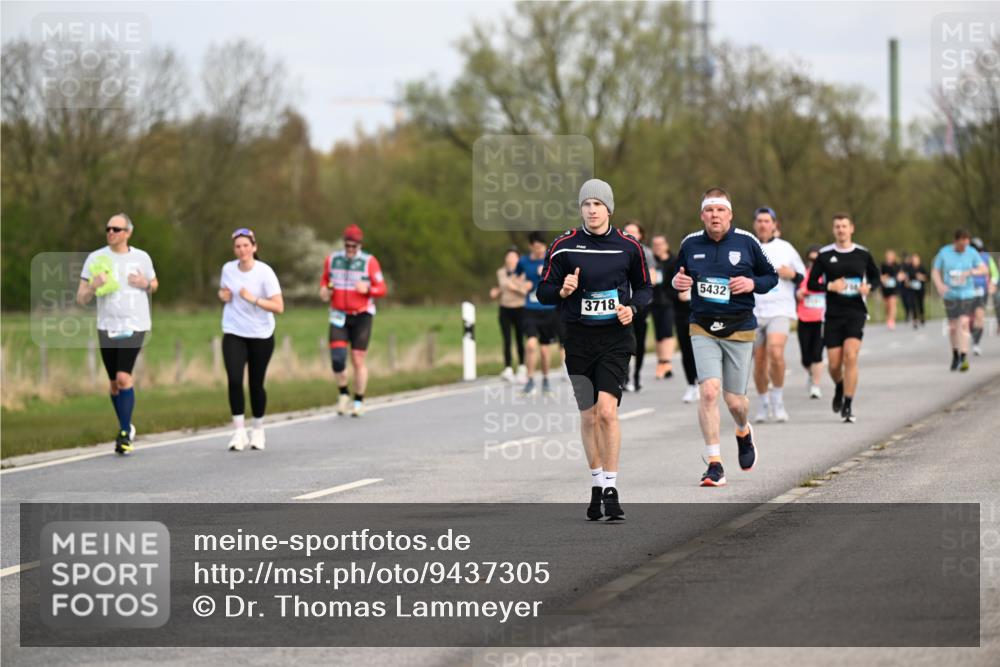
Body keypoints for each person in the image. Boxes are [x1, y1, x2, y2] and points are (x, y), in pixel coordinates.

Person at [537, 179, 651, 521]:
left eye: (598, 204)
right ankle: (597, 484)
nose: (592, 209)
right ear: (581, 209)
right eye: (586, 204)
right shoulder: (563, 246)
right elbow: (543, 292)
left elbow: (645, 289)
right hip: (578, 339)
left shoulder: (629, 246)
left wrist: (632, 307)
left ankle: (613, 489)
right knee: (588, 416)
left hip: (616, 338)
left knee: (607, 412)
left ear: (609, 209)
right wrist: (562, 290)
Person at [671, 188, 777, 487]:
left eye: (720, 210)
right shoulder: (690, 244)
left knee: (735, 402)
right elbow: (678, 278)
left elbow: (771, 278)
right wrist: (677, 282)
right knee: (708, 391)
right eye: (709, 210)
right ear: (702, 214)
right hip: (702, 326)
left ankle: (743, 431)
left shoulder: (747, 242)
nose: (714, 215)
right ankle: (714, 463)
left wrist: (751, 282)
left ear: (729, 214)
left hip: (739, 326)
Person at [76, 213, 158, 455]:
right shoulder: (95, 258)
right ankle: (126, 425)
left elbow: (154, 285)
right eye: (108, 228)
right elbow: (81, 298)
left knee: (123, 377)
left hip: (136, 324)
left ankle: (124, 433)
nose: (111, 232)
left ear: (128, 233)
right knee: (113, 384)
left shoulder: (141, 257)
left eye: (116, 229)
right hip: (107, 326)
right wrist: (93, 285)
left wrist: (145, 283)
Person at [806, 214, 881, 423]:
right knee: (834, 365)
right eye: (837, 226)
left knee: (850, 356)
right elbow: (811, 283)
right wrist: (829, 286)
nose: (841, 230)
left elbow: (876, 278)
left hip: (856, 312)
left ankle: (848, 404)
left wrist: (869, 287)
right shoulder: (824, 255)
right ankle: (840, 386)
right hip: (833, 315)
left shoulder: (863, 254)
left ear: (851, 229)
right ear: (833, 230)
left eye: (844, 226)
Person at [218, 229, 284, 451]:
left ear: (254, 247)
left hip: (261, 334)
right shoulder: (228, 269)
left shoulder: (265, 272)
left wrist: (253, 299)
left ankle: (258, 429)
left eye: (246, 245)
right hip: (234, 331)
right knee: (235, 380)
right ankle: (238, 432)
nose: (242, 250)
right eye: (238, 246)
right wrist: (223, 296)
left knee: (256, 384)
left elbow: (278, 306)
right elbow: (225, 292)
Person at [320, 224, 388, 417]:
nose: (350, 250)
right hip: (339, 314)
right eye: (347, 246)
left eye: (354, 247)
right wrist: (324, 291)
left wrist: (368, 290)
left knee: (358, 359)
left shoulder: (369, 262)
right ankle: (343, 393)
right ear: (344, 244)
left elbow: (382, 288)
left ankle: (359, 400)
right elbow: (324, 281)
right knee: (337, 358)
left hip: (362, 315)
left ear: (360, 245)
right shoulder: (332, 259)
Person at [750, 206, 806, 423]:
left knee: (775, 352)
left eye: (767, 221)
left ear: (774, 225)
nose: (763, 224)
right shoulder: (749, 246)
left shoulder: (786, 248)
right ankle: (764, 403)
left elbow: (802, 276)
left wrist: (791, 274)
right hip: (754, 312)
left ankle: (778, 400)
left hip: (780, 310)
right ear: (755, 224)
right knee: (760, 361)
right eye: (760, 221)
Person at [931, 229, 987, 372]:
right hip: (950, 294)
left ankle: (963, 356)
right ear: (956, 241)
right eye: (962, 245)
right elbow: (935, 271)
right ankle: (955, 353)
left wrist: (970, 272)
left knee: (963, 323)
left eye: (967, 244)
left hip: (967, 293)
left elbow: (983, 269)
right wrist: (939, 285)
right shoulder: (944, 252)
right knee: (953, 326)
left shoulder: (971, 252)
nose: (964, 248)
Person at [517, 232, 562, 396]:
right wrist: (522, 286)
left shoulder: (551, 260)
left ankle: (545, 380)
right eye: (536, 248)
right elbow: (515, 279)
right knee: (530, 345)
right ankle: (529, 381)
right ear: (530, 246)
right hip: (530, 310)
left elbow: (560, 280)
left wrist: (545, 274)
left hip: (548, 310)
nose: (540, 251)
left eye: (542, 248)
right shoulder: (523, 261)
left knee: (544, 350)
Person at [623, 221, 656, 391]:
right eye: (626, 231)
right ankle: (625, 376)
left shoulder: (647, 253)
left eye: (633, 232)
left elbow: (653, 278)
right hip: (622, 304)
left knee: (640, 340)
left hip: (641, 304)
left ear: (641, 235)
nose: (629, 234)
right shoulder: (618, 250)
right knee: (624, 340)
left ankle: (636, 376)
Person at [490, 247, 529, 383]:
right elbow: (502, 288)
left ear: (518, 259)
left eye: (513, 257)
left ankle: (522, 367)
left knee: (519, 338)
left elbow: (526, 291)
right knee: (506, 339)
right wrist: (496, 292)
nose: (510, 259)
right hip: (504, 309)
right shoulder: (500, 272)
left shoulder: (524, 272)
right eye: (508, 256)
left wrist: (516, 288)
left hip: (520, 308)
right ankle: (507, 368)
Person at [796, 245, 826, 399]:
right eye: (811, 259)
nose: (814, 262)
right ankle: (811, 373)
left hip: (821, 320)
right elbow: (795, 291)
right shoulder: (803, 275)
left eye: (817, 259)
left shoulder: (826, 275)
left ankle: (816, 385)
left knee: (817, 354)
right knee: (805, 358)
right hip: (804, 318)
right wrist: (799, 294)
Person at [650, 234, 678, 381]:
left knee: (667, 332)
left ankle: (665, 362)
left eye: (660, 244)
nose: (657, 247)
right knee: (659, 334)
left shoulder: (674, 261)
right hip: (654, 302)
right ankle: (662, 362)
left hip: (669, 302)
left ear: (666, 245)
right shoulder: (651, 261)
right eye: (655, 245)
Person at [969, 237, 998, 356]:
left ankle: (976, 343)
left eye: (979, 249)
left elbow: (995, 273)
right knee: (969, 318)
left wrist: (993, 283)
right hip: (967, 291)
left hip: (982, 291)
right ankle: (972, 335)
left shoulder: (987, 258)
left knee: (979, 318)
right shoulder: (966, 258)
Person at [903, 253, 928, 328]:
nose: (915, 261)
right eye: (913, 260)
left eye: (916, 260)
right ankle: (915, 319)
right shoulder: (909, 268)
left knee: (920, 303)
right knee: (913, 304)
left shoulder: (922, 268)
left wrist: (921, 277)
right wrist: (907, 282)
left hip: (920, 289)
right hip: (912, 289)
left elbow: (927, 278)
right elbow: (906, 278)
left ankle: (922, 316)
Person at [880, 249, 902, 331]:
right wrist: (883, 278)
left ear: (893, 257)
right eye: (888, 256)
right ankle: (888, 318)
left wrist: (899, 277)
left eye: (891, 256)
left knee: (892, 304)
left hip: (894, 288)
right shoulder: (883, 265)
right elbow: (880, 276)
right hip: (885, 288)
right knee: (887, 306)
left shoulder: (897, 265)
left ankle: (891, 320)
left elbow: (901, 275)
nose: (889, 257)